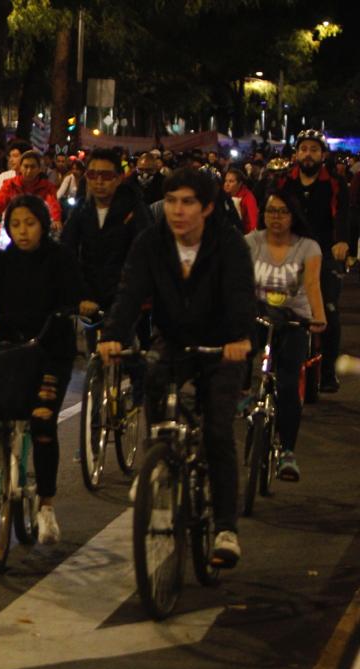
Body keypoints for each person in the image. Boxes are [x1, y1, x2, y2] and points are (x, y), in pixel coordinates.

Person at [98, 168, 255, 568]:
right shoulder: (151, 242)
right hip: (174, 338)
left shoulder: (229, 243)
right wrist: (113, 334)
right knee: (152, 375)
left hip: (222, 344)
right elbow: (130, 290)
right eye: (170, 201)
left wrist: (239, 338)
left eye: (187, 202)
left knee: (218, 429)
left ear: (206, 207)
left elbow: (240, 294)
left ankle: (225, 528)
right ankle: (159, 463)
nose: (177, 211)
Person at [0, 195, 83, 542]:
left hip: (51, 351)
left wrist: (75, 306)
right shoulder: (0, 261)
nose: (23, 231)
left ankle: (46, 508)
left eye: (30, 223)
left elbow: (75, 294)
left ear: (43, 224)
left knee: (42, 421)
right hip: (8, 347)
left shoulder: (61, 259)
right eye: (16, 225)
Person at [245, 188, 325, 481]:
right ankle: (244, 393)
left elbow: (313, 284)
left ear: (293, 216)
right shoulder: (251, 242)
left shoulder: (308, 247)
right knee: (236, 349)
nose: (275, 218)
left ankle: (287, 452)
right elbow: (238, 281)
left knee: (289, 386)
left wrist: (318, 317)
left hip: (295, 320)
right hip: (257, 314)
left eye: (282, 212)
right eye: (270, 211)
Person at [277, 130, 350, 393]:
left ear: (323, 154)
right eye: (303, 149)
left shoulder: (335, 183)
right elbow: (272, 213)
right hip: (289, 252)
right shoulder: (285, 182)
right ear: (296, 154)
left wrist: (342, 241)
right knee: (274, 309)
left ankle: (328, 372)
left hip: (326, 254)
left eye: (314, 149)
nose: (308, 154)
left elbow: (343, 215)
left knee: (329, 311)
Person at [61, 148, 152, 350]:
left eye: (106, 175)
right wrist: (80, 294)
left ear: (119, 178)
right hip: (91, 298)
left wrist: (129, 296)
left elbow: (143, 256)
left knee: (135, 358)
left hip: (127, 297)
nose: (98, 182)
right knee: (95, 354)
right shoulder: (81, 210)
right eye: (93, 175)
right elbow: (67, 251)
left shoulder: (135, 210)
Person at [0, 150, 62, 233]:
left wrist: (56, 220)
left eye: (33, 167)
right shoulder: (10, 184)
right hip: (12, 227)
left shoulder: (47, 187)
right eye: (26, 166)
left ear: (39, 169)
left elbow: (53, 204)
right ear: (20, 167)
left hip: (36, 230)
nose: (29, 171)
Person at [224, 168, 258, 233]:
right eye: (226, 181)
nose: (227, 184)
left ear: (239, 183)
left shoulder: (248, 197)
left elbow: (253, 221)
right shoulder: (223, 195)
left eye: (231, 181)